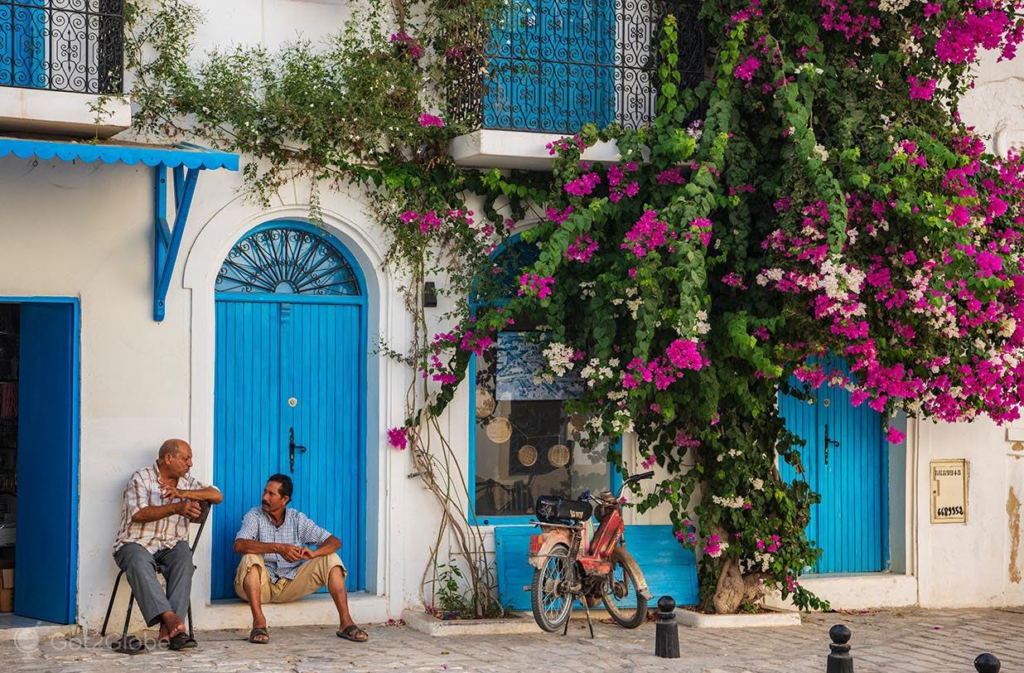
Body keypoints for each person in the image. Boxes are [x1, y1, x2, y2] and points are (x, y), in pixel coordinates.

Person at [113, 439, 222, 651]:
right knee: (138, 560)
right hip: (135, 543)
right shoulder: (141, 478)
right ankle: (172, 620)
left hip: (171, 545)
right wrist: (176, 508)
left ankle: (168, 630)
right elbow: (139, 514)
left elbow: (217, 495)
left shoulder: (186, 482)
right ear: (168, 458)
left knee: (184, 558)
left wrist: (183, 494)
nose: (190, 464)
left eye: (191, 459)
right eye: (186, 458)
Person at [233, 474, 368, 644]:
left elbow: (334, 541)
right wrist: (278, 547)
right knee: (250, 557)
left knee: (331, 558)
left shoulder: (297, 519)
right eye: (264, 492)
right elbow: (238, 545)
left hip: (290, 584)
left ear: (284, 499)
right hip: (260, 586)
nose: (264, 497)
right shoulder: (254, 515)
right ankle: (259, 623)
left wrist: (314, 554)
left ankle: (346, 623)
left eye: (271, 494)